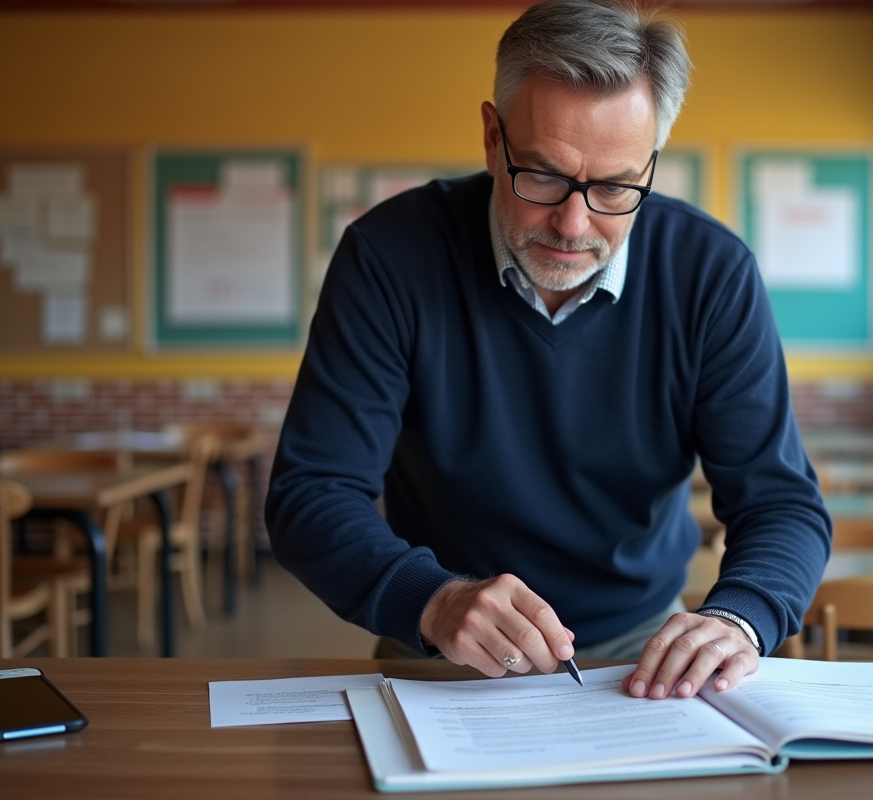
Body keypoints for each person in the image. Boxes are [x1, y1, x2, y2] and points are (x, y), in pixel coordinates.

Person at [266, 0, 831, 701]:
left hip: (643, 650)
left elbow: (781, 503)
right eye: (542, 176)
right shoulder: (389, 257)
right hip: (443, 644)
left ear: (650, 166)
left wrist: (739, 618)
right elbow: (312, 492)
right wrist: (432, 600)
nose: (573, 223)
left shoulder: (711, 273)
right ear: (491, 137)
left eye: (615, 187)